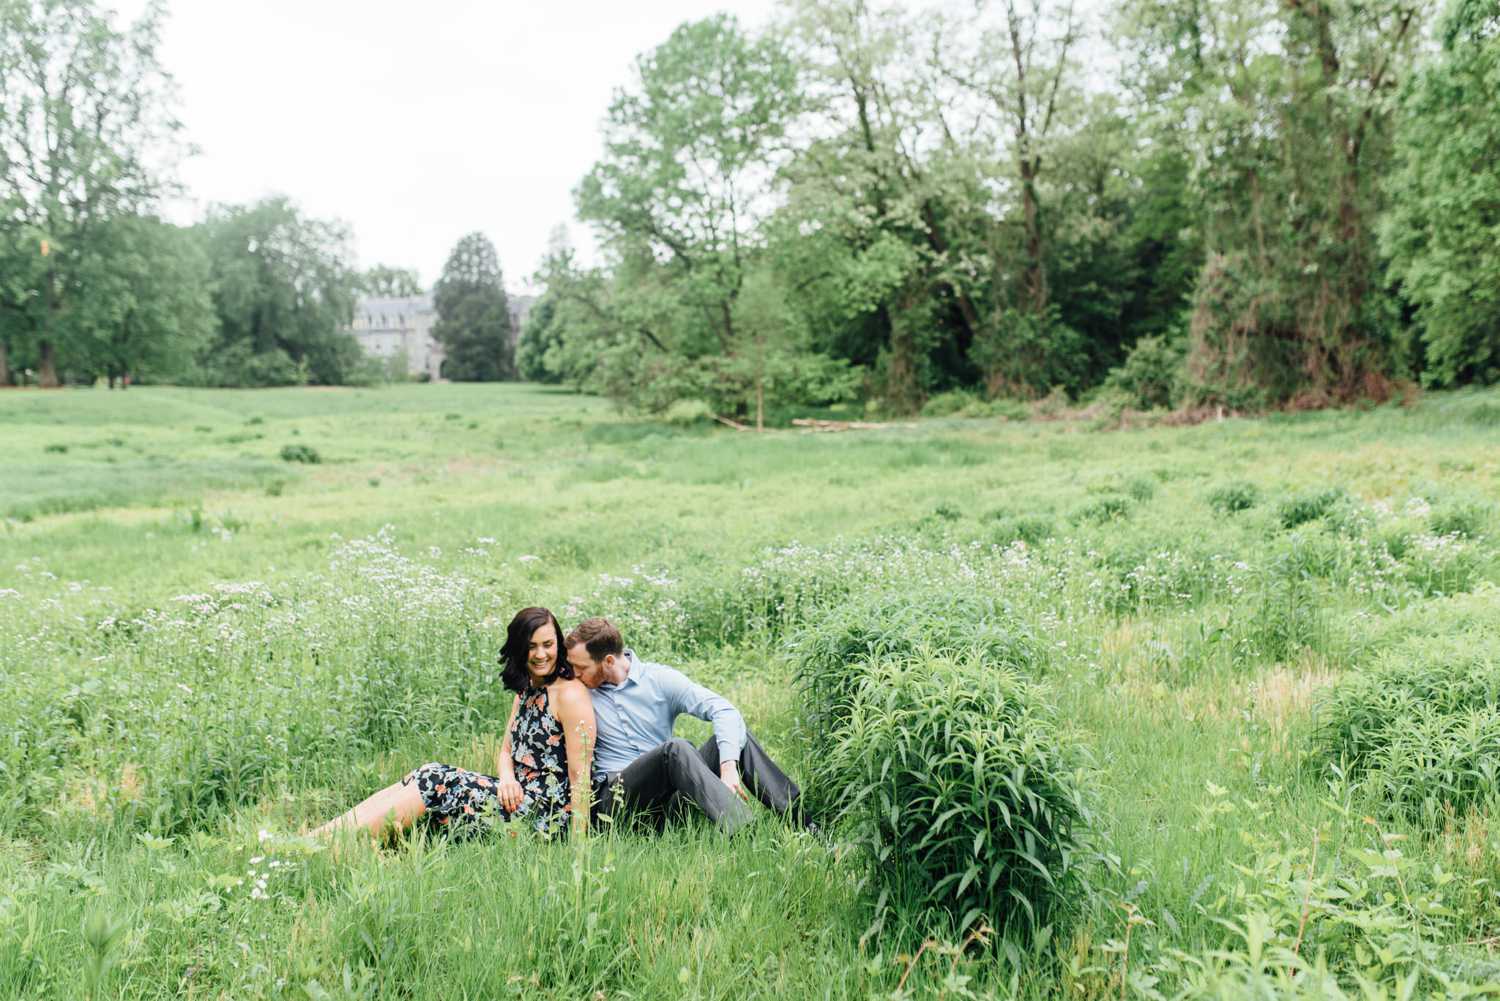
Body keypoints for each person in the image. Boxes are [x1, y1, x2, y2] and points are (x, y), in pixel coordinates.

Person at [311, 607, 596, 843]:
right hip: (513, 796)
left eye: (548, 645)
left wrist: (578, 847)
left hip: (545, 817)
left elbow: (580, 776)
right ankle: (327, 834)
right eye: (531, 646)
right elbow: (506, 751)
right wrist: (507, 779)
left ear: (558, 643)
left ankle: (340, 844)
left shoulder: (570, 695)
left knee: (439, 780)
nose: (540, 654)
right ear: (519, 649)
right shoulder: (527, 689)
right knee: (426, 772)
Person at [563, 616, 806, 835]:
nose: (574, 673)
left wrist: (728, 765)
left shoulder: (658, 680)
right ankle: (746, 835)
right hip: (616, 803)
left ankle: (804, 824)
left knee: (736, 738)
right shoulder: (577, 692)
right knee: (675, 750)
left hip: (668, 804)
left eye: (581, 668)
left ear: (607, 661)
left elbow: (723, 710)